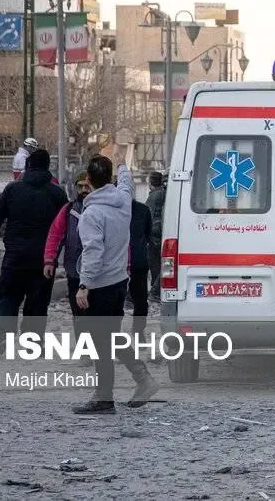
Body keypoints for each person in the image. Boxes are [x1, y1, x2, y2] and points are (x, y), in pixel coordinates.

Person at [73, 147, 159, 414]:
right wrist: (122, 165)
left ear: (87, 179)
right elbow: (126, 183)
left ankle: (105, 397)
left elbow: (93, 252)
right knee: (110, 336)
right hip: (120, 280)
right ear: (109, 178)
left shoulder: (92, 215)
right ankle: (140, 379)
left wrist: (84, 284)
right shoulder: (122, 200)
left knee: (101, 343)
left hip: (99, 285)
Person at [0, 148, 68, 356]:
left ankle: (6, 337)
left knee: (9, 296)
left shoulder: (13, 189)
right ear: (48, 167)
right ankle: (33, 342)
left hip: (15, 255)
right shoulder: (56, 193)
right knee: (39, 300)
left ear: (28, 165)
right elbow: (66, 224)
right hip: (44, 258)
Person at [44, 172, 92, 361]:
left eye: (87, 186)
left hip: (99, 273)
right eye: (80, 186)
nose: (83, 191)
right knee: (79, 313)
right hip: (74, 271)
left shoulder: (104, 210)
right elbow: (55, 236)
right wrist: (49, 260)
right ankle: (85, 351)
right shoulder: (69, 210)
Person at [128, 197, 152, 339]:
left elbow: (147, 234)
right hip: (114, 264)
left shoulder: (143, 210)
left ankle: (138, 331)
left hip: (138, 263)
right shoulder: (109, 208)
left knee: (141, 301)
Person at [145, 171, 165, 300]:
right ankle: (156, 291)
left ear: (151, 182)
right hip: (160, 232)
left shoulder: (154, 196)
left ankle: (154, 291)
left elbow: (148, 215)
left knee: (155, 264)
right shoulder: (163, 193)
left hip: (154, 234)